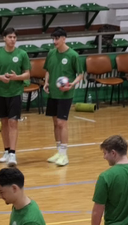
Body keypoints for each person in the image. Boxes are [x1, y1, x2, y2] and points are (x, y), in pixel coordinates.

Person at [0, 27, 31, 166]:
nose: (13, 39)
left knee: (13, 122)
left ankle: (13, 153)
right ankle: (6, 151)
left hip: (15, 93)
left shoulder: (22, 54)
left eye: (14, 37)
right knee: (4, 122)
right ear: (4, 38)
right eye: (10, 37)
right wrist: (0, 77)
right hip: (1, 93)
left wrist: (16, 77)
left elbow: (27, 74)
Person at [43, 28, 83, 166]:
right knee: (55, 123)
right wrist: (46, 82)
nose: (54, 41)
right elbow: (48, 70)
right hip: (53, 93)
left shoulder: (73, 55)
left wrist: (72, 84)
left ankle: (64, 155)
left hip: (65, 94)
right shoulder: (51, 54)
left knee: (61, 123)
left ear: (64, 39)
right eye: (53, 39)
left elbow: (80, 74)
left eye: (57, 39)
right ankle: (59, 152)